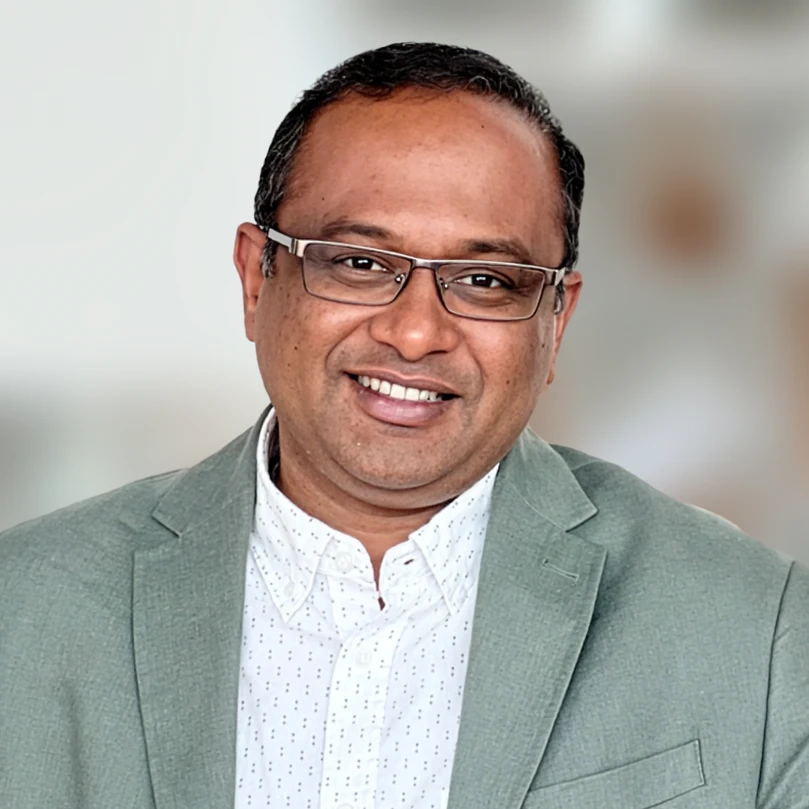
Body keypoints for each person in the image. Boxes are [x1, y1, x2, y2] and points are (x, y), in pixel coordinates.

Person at [0, 42, 806, 809]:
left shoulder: (755, 626)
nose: (415, 332)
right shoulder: (25, 608)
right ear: (257, 278)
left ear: (555, 320)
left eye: (486, 278)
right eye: (358, 263)